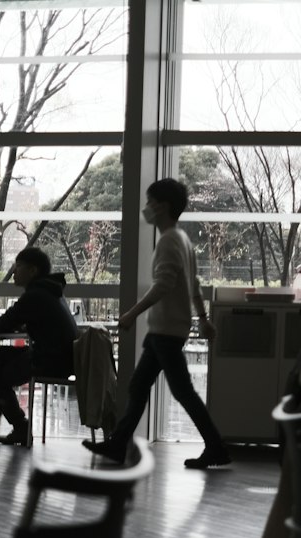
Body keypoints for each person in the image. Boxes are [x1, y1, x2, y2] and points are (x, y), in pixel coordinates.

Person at [84, 177, 229, 470]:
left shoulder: (169, 241)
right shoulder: (182, 239)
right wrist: (202, 319)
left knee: (181, 391)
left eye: (150, 202)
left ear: (163, 206)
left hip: (166, 330)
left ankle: (216, 448)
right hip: (165, 330)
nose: (146, 208)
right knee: (139, 387)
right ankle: (118, 444)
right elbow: (194, 285)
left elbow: (164, 285)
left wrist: (131, 314)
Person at [0, 246, 78, 445]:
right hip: (61, 358)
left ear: (33, 271)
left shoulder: (35, 295)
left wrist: (19, 321)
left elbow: (2, 325)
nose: (13, 272)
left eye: (18, 267)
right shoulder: (52, 291)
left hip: (49, 361)